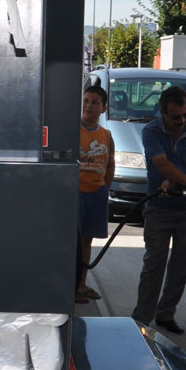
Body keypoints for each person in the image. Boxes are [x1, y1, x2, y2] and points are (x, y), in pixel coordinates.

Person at [131, 84, 186, 335]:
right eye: (176, 117)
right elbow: (161, 164)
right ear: (162, 112)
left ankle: (166, 314)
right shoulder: (151, 131)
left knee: (180, 267)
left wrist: (175, 182)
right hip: (159, 209)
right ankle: (141, 319)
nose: (182, 121)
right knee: (154, 265)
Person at [77, 85, 114, 304]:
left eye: (94, 102)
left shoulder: (106, 135)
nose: (88, 105)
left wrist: (104, 187)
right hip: (76, 194)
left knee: (86, 242)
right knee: (72, 242)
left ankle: (82, 284)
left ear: (103, 109)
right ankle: (71, 286)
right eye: (86, 101)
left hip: (96, 194)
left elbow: (111, 164)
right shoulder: (72, 131)